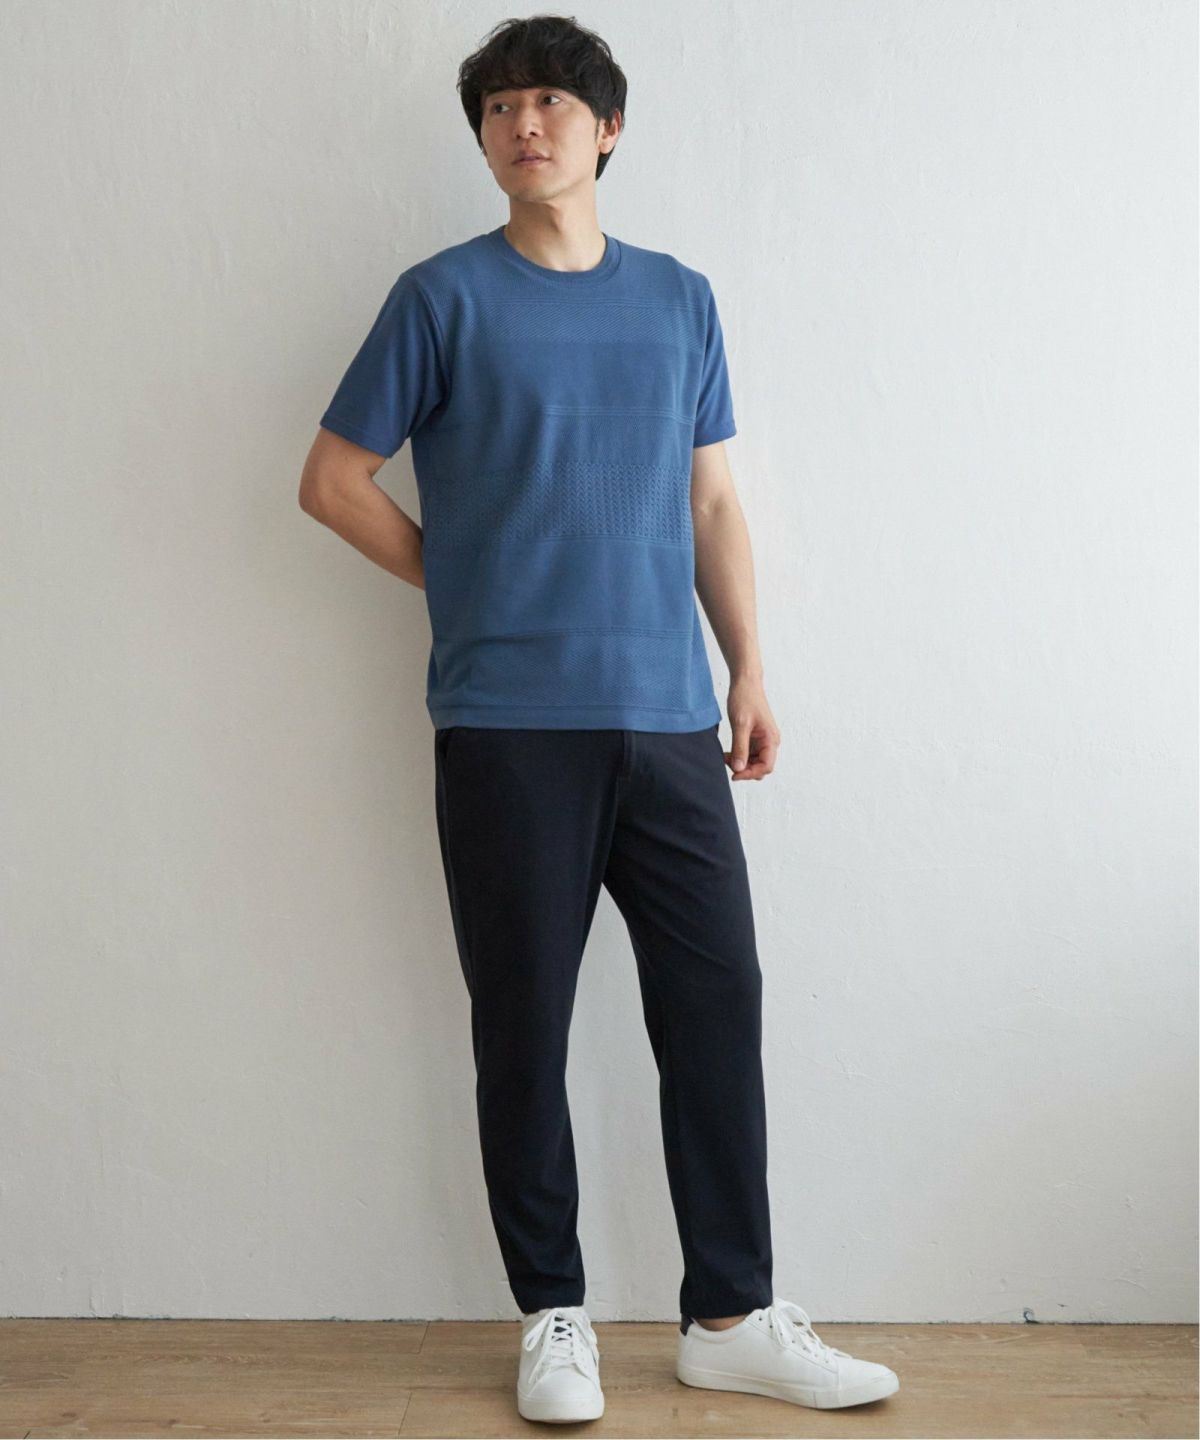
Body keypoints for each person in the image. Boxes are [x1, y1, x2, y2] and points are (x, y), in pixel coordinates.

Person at [299, 12, 900, 1424]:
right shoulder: (440, 299)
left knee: (717, 1007)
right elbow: (331, 480)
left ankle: (729, 1315)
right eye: (501, 107)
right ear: (485, 138)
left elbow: (711, 499)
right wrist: (467, 577)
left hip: (670, 718)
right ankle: (552, 1313)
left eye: (554, 103)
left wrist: (747, 670)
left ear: (607, 130)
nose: (526, 124)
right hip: (509, 725)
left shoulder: (681, 299)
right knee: (525, 1024)